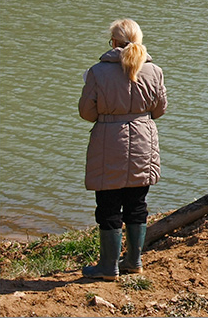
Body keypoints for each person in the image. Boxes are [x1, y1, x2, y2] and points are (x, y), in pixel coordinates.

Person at [79, 19, 167, 279]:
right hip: (144, 140)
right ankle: (133, 261)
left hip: (109, 140)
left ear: (114, 43)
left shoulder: (98, 72)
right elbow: (160, 110)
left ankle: (108, 267)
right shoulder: (154, 71)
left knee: (108, 205)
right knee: (137, 203)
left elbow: (86, 112)